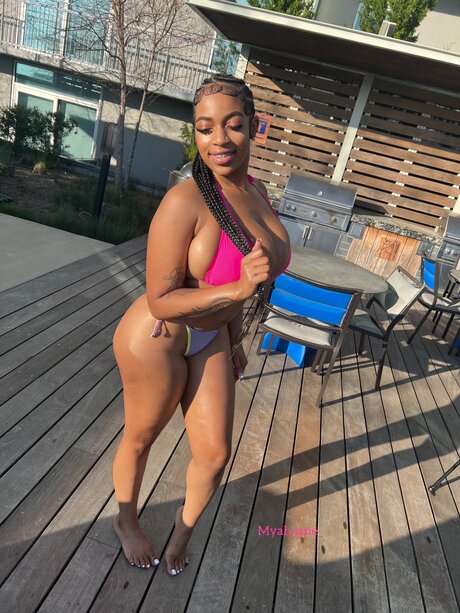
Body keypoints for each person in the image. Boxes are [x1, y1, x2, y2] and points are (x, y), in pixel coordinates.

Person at [112, 74, 291, 576]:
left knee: (213, 456)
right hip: (158, 337)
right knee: (141, 437)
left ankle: (181, 532)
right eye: (205, 128)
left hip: (213, 334)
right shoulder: (185, 200)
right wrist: (236, 292)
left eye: (233, 125)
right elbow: (162, 300)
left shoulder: (256, 192)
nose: (219, 139)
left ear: (255, 126)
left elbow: (247, 275)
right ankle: (125, 519)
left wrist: (232, 338)